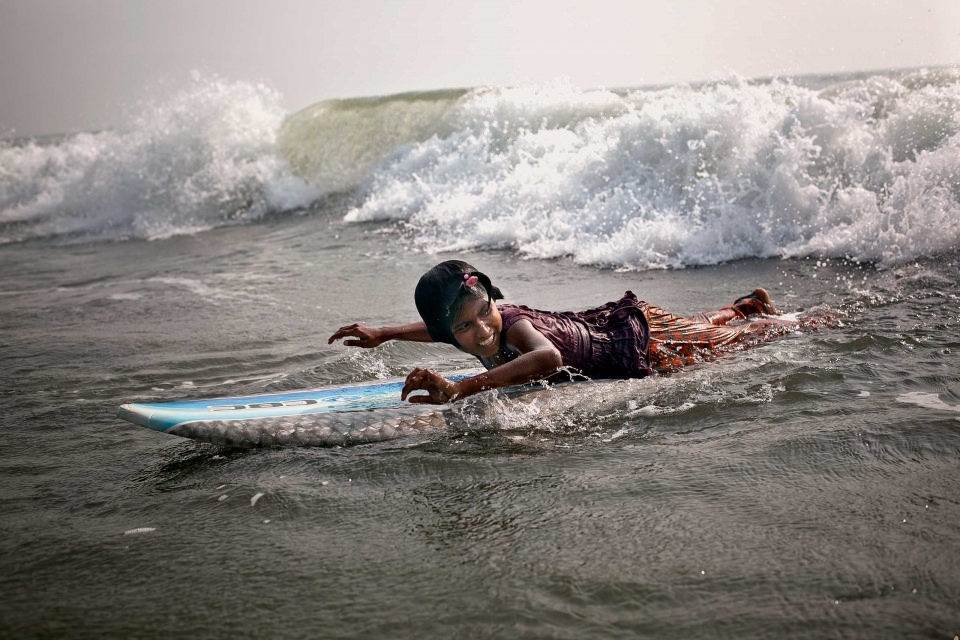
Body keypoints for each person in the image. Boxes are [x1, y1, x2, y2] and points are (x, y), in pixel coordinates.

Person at [327, 260, 801, 404]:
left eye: (483, 314)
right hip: (608, 329)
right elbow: (434, 331)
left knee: (729, 345)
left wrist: (462, 387)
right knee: (702, 328)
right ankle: (744, 306)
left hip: (635, 342)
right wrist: (385, 333)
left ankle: (792, 321)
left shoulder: (508, 326)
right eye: (464, 328)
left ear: (494, 302)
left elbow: (547, 359)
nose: (480, 332)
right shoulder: (459, 327)